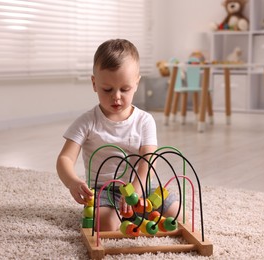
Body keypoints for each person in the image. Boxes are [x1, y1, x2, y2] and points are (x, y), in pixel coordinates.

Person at [56, 39, 178, 231]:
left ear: (137, 83)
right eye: (107, 89)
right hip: (105, 191)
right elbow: (65, 158)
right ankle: (123, 216)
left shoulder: (144, 120)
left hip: (141, 185)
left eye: (125, 89)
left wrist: (136, 191)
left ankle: (134, 213)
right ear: (94, 83)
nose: (116, 96)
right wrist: (72, 182)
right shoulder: (87, 122)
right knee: (106, 226)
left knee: (176, 215)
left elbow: (148, 160)